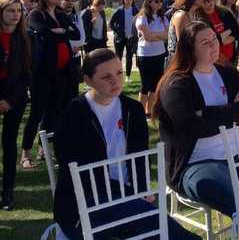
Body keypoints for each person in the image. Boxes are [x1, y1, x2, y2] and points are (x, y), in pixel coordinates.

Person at [53, 48, 198, 239]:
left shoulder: (133, 110)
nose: (115, 81)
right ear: (88, 80)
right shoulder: (74, 114)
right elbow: (71, 168)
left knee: (152, 223)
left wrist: (141, 190)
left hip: (129, 197)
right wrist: (127, 195)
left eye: (119, 73)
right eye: (106, 77)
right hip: (86, 205)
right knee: (162, 227)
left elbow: (139, 157)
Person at [155, 21, 239, 220]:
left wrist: (206, 113)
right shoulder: (177, 84)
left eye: (214, 39)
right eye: (205, 43)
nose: (213, 45)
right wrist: (232, 111)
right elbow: (192, 128)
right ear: (190, 49)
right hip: (196, 162)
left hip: (236, 154)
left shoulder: (227, 72)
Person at [21, 0, 80, 170]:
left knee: (53, 114)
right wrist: (62, 33)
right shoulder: (37, 14)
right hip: (43, 73)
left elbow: (75, 33)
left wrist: (59, 32)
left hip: (62, 73)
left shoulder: (61, 15)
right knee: (37, 113)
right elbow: (44, 33)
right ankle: (25, 153)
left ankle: (44, 150)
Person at [0, 0, 31, 210]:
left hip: (15, 97)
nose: (15, 14)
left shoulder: (24, 38)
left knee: (9, 145)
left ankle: (8, 192)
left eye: (18, 11)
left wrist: (9, 100)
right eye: (10, 10)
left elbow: (27, 74)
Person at [135, 0, 169, 116]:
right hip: (145, 55)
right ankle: (140, 112)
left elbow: (167, 36)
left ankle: (149, 111)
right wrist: (158, 36)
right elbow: (148, 38)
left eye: (161, 1)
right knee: (145, 85)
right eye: (156, 1)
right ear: (149, 2)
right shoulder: (142, 18)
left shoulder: (163, 17)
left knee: (155, 85)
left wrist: (153, 34)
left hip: (159, 53)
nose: (160, 3)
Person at [196, 0, 239, 67]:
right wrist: (229, 31)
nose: (210, 2)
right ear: (200, 3)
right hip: (212, 60)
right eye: (205, 1)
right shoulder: (199, 18)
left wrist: (219, 40)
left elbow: (236, 33)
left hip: (229, 58)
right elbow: (210, 40)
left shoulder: (224, 13)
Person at [167, 0, 204, 64]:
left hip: (189, 56)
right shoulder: (181, 15)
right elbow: (182, 41)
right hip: (178, 59)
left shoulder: (194, 14)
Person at [60, 0, 85, 98]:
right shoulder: (57, 17)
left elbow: (82, 38)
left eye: (72, 0)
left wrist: (74, 45)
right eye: (67, 0)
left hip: (74, 59)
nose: (70, 3)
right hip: (61, 58)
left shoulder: (77, 17)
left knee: (73, 91)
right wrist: (70, 46)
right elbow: (59, 39)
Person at [109, 0, 138, 79]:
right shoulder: (119, 10)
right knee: (118, 57)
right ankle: (118, 75)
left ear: (132, 1)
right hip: (120, 38)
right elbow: (111, 23)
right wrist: (117, 32)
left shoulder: (135, 10)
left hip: (130, 38)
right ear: (124, 0)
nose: (129, 1)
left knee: (129, 57)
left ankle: (128, 76)